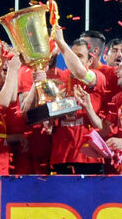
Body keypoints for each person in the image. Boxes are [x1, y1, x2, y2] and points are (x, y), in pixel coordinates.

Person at [45, 26, 107, 174]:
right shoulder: (59, 78)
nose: (74, 59)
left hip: (88, 157)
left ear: (90, 60)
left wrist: (61, 42)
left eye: (80, 56)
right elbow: (48, 110)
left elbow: (80, 72)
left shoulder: (97, 77)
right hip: (61, 155)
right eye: (72, 55)